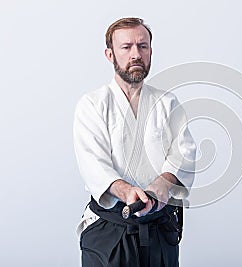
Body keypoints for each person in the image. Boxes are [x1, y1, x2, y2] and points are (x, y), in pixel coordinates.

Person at [73, 17, 196, 267]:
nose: (136, 54)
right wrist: (127, 191)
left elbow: (185, 151)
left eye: (143, 46)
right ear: (110, 54)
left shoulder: (166, 102)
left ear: (151, 51)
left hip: (159, 226)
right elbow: (93, 163)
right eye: (126, 47)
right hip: (110, 227)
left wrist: (164, 182)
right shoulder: (93, 104)